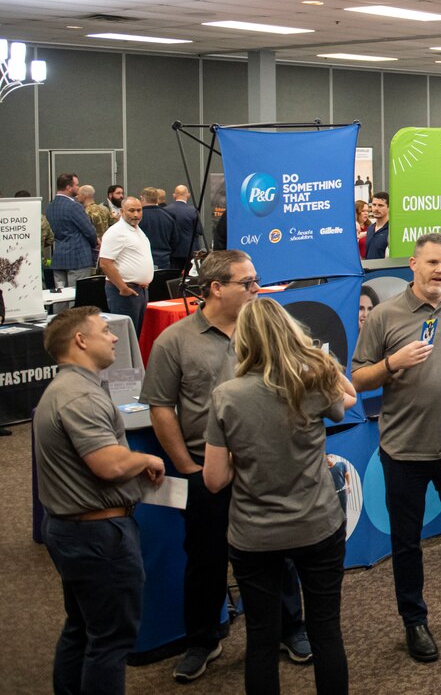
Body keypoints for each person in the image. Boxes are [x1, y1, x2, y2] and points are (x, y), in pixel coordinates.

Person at [140, 250, 310, 682]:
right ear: (216, 288)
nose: (257, 289)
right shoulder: (174, 341)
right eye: (248, 282)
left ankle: (292, 628)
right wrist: (187, 467)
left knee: (281, 555)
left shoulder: (267, 335)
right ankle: (203, 639)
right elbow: (161, 406)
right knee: (205, 559)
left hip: (264, 467)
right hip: (206, 471)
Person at [351, 232, 441, 663]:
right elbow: (357, 379)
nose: (440, 271)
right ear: (413, 265)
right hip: (405, 450)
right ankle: (414, 620)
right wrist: (393, 363)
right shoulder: (386, 316)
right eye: (432, 263)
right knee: (407, 543)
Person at [203, 298, 357, 694]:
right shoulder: (312, 382)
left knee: (260, 638)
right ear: (291, 333)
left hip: (254, 534)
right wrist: (319, 362)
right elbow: (348, 400)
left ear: (244, 340)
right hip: (317, 525)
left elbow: (215, 479)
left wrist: (250, 457)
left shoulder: (226, 396)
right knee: (326, 631)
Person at [35, 306, 165, 694]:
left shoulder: (66, 389)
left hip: (76, 530)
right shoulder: (79, 397)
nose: (113, 338)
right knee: (109, 640)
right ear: (80, 340)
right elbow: (107, 464)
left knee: (83, 629)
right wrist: (145, 458)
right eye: (105, 331)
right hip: (97, 535)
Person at [98, 196, 152, 335]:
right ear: (122, 211)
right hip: (124, 291)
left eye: (139, 210)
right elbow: (105, 263)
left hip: (139, 290)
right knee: (124, 336)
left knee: (136, 335)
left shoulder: (137, 230)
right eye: (131, 210)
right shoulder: (116, 232)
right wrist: (123, 287)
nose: (136, 214)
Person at [46, 173, 98, 290]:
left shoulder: (50, 207)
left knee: (60, 298)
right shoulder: (74, 206)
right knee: (77, 297)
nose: (78, 188)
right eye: (76, 185)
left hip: (59, 257)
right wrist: (96, 242)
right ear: (69, 187)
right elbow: (89, 230)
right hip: (78, 258)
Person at [165, 185, 205, 272]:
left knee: (173, 276)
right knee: (190, 276)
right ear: (188, 195)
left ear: (174, 195)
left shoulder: (166, 210)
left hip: (172, 251)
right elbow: (200, 231)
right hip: (190, 250)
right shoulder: (193, 210)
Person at [139, 186, 177, 270]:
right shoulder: (168, 216)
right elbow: (175, 240)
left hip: (141, 261)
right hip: (164, 261)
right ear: (157, 199)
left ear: (142, 198)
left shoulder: (137, 218)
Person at [365, 192, 390, 259]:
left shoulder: (391, 230)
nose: (376, 208)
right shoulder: (370, 228)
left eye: (380, 205)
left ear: (388, 207)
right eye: (374, 205)